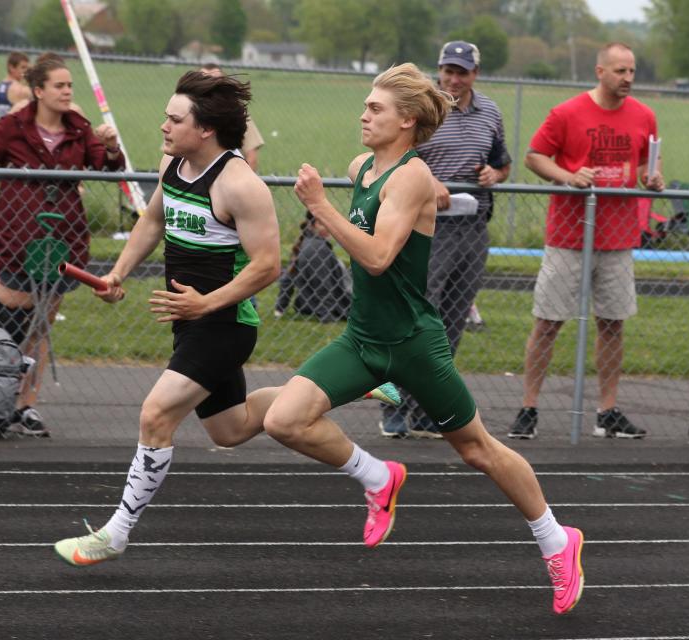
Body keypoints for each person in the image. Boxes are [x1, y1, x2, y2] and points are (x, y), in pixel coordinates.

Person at [263, 62, 584, 615]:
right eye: (365, 106)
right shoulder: (362, 165)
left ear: (407, 120)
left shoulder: (410, 175)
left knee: (477, 449)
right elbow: (367, 233)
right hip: (363, 339)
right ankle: (378, 476)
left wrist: (320, 206)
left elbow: (380, 257)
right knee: (283, 420)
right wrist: (331, 215)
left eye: (375, 108)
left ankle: (558, 541)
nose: (363, 115)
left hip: (413, 343)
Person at [52, 70, 284, 565]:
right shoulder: (172, 164)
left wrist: (206, 303)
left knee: (156, 415)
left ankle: (116, 533)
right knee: (231, 429)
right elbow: (154, 220)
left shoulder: (242, 185)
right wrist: (117, 273)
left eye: (174, 119)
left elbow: (268, 266)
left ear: (205, 130)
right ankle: (336, 385)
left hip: (224, 324)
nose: (163, 126)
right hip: (189, 320)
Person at [0, 53, 126, 437]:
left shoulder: (79, 128)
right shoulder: (14, 127)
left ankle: (24, 406)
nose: (67, 92)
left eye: (70, 86)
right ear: (38, 91)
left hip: (62, 238)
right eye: (60, 86)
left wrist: (111, 147)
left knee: (42, 327)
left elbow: (106, 166)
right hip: (16, 236)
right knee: (7, 321)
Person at [508, 42, 664, 441]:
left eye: (632, 71)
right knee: (547, 323)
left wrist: (653, 176)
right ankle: (528, 408)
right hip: (569, 235)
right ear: (600, 71)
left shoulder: (645, 116)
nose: (627, 78)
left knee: (613, 324)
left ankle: (607, 411)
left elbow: (647, 161)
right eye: (620, 71)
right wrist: (568, 176)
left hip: (618, 238)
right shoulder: (566, 113)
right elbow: (533, 156)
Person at [380, 41, 511, 439]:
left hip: (472, 226)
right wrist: (428, 179)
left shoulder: (490, 111)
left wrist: (494, 175)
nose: (454, 79)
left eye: (463, 71)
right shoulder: (421, 107)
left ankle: (427, 409)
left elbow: (503, 162)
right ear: (438, 69)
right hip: (426, 227)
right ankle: (394, 405)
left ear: (476, 73)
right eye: (448, 70)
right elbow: (392, 156)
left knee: (451, 321)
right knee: (418, 316)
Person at [274, 210, 351, 322]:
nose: (328, 227)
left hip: (306, 306)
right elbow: (323, 286)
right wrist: (327, 316)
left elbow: (287, 278)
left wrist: (280, 308)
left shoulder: (306, 242)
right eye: (323, 223)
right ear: (314, 224)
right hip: (334, 306)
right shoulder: (318, 248)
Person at [199, 63, 265, 172]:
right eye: (205, 80)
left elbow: (251, 157)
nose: (210, 85)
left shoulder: (236, 115)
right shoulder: (186, 114)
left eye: (216, 80)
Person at [0, 51, 31, 119]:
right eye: (23, 67)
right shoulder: (19, 89)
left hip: (0, 126)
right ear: (11, 68)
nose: (26, 71)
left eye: (27, 68)